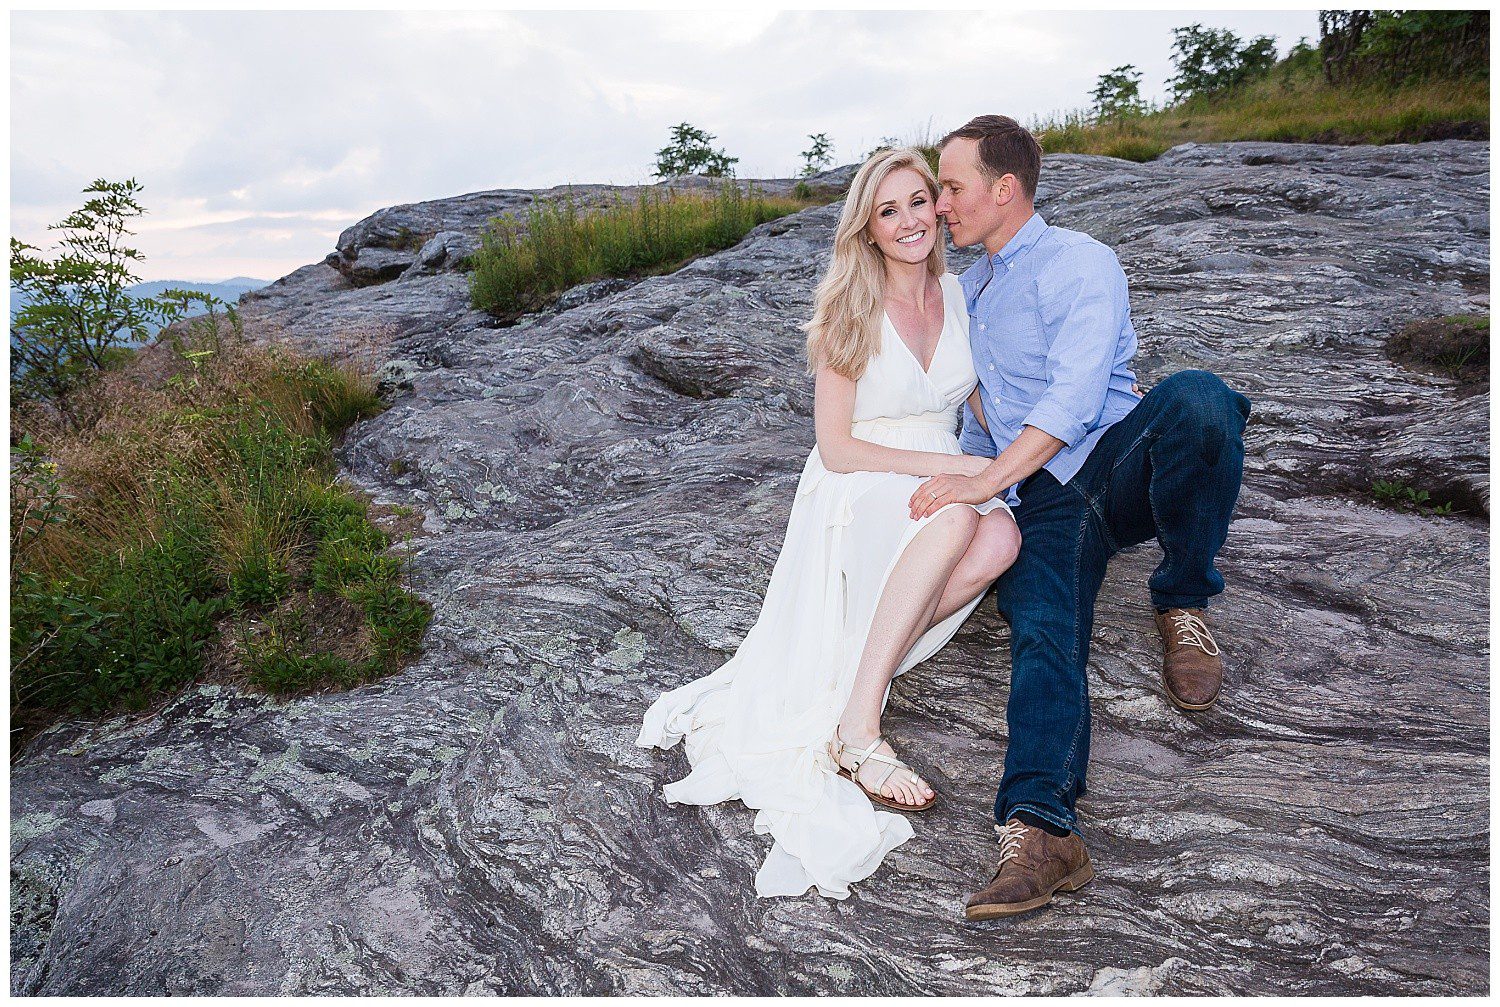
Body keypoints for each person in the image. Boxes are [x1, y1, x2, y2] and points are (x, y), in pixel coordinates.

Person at [637, 147, 1022, 899]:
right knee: (950, 526)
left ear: (937, 210)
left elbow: (978, 398)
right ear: (868, 229)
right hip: (861, 479)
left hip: (940, 464)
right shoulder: (850, 303)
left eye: (919, 201)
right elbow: (836, 446)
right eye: (889, 210)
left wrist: (1020, 454)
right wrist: (944, 477)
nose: (910, 220)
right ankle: (858, 725)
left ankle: (854, 655)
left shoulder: (963, 293)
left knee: (1003, 536)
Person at [909, 115, 1252, 920]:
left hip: (1111, 456)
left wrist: (988, 476)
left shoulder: (1081, 262)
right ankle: (1042, 830)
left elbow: (1071, 399)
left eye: (952, 187)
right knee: (1041, 625)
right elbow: (973, 413)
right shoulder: (966, 292)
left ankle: (1183, 596)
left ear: (1004, 189)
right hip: (1041, 497)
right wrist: (973, 494)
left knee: (1201, 400)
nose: (941, 204)